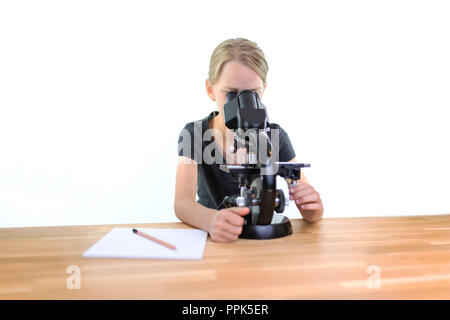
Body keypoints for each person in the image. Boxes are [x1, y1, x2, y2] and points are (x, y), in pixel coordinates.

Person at [174, 38, 323, 243]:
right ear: (210, 90)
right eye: (232, 93)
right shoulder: (195, 134)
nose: (243, 104)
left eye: (252, 93)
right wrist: (210, 220)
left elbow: (308, 205)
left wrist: (312, 208)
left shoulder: (275, 136)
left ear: (264, 90)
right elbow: (182, 203)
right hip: (214, 241)